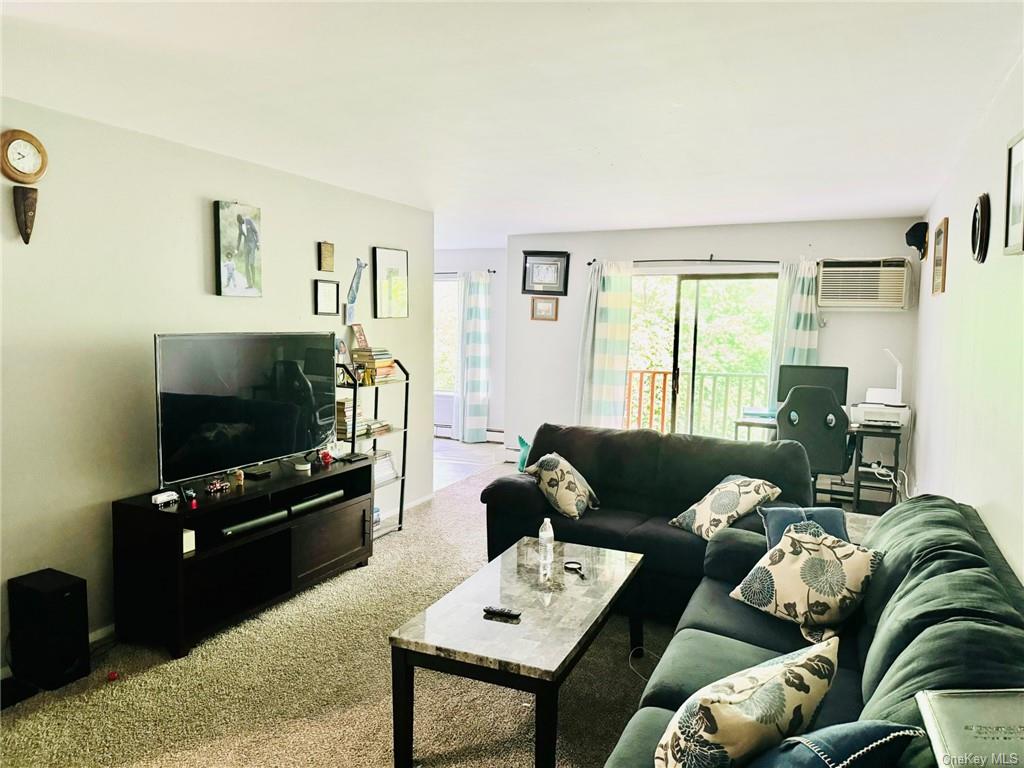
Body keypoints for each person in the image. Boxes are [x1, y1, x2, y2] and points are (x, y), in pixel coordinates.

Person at [235, 213, 260, 291]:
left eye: (241, 221)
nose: (240, 223)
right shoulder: (239, 226)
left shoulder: (248, 221)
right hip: (246, 245)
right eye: (239, 222)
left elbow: (256, 232)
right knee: (246, 265)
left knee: (251, 263)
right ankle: (250, 284)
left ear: (242, 218)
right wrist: (237, 249)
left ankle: (254, 282)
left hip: (252, 243)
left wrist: (258, 243)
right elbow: (239, 238)